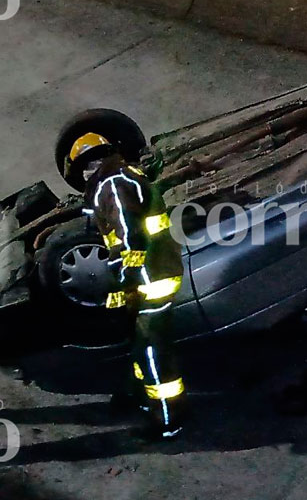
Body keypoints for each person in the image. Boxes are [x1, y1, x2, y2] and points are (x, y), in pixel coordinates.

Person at [64, 133, 187, 438]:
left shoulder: (112, 186)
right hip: (154, 274)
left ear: (88, 165)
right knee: (139, 340)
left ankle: (168, 420)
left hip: (152, 279)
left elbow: (131, 239)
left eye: (83, 169)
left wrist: (123, 282)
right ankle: (138, 396)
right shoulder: (123, 175)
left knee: (151, 349)